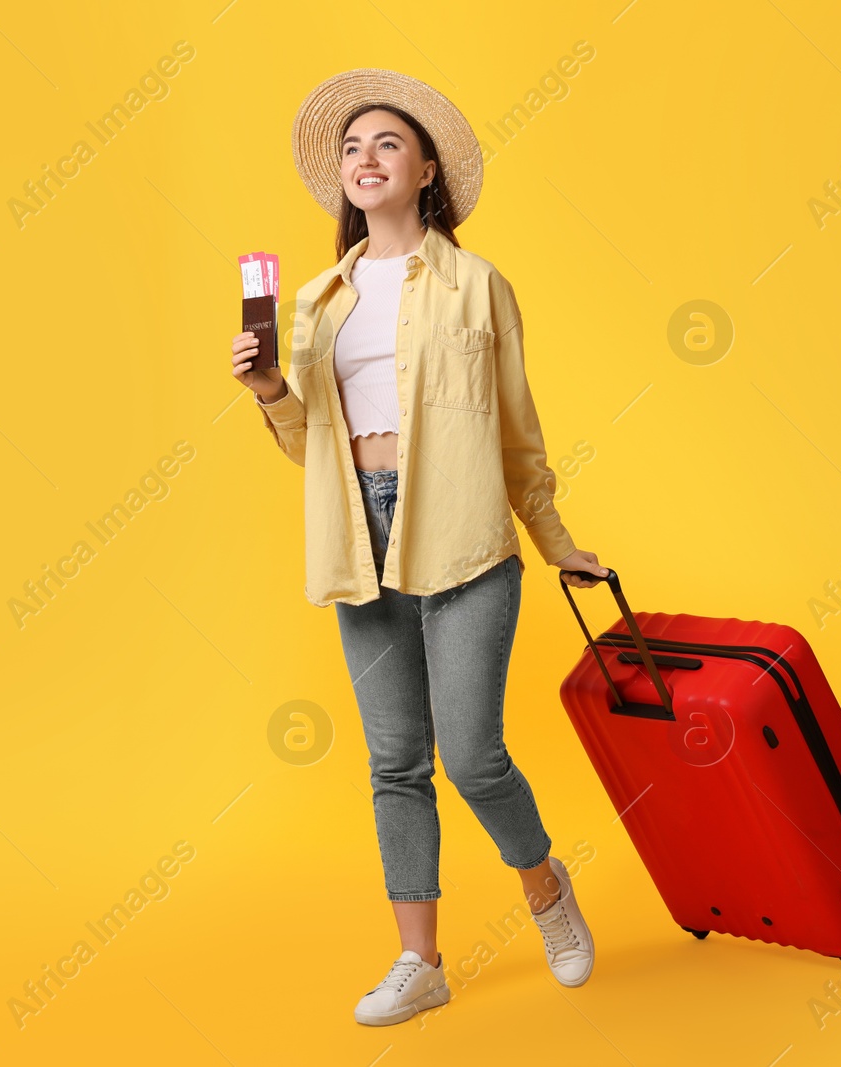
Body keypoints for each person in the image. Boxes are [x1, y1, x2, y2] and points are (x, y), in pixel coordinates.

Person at [231, 68, 606, 1026]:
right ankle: (420, 961)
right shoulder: (316, 302)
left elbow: (518, 432)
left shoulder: (479, 286)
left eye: (386, 143)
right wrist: (273, 388)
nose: (365, 159)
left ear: (426, 169)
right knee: (396, 759)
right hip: (362, 535)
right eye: (353, 148)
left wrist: (558, 540)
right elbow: (305, 444)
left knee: (475, 752)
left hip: (465, 535)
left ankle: (544, 887)